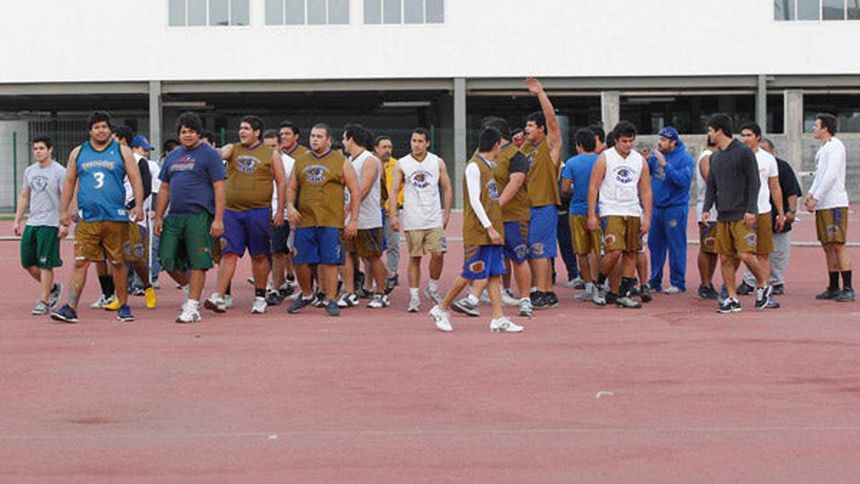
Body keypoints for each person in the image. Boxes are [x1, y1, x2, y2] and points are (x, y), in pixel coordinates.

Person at [51, 111, 144, 323]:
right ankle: (70, 308)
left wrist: (139, 206)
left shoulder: (122, 151)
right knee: (80, 262)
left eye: (104, 127)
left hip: (115, 217)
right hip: (88, 219)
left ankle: (123, 305)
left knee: (118, 263)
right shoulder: (78, 152)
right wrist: (63, 211)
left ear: (109, 129)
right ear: (90, 131)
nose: (101, 131)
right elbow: (69, 182)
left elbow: (135, 178)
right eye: (96, 127)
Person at [429, 128, 524, 333]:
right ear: (496, 145)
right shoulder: (474, 166)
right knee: (470, 272)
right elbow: (474, 200)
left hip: (491, 229)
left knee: (494, 274)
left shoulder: (489, 166)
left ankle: (498, 318)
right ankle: (441, 308)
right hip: (479, 231)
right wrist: (489, 227)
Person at [452, 117, 533, 318]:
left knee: (518, 257)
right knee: (488, 259)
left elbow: (515, 183)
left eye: (487, 131)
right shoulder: (480, 158)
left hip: (512, 216)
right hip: (488, 218)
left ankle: (525, 299)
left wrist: (496, 207)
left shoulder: (516, 156)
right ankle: (479, 298)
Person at [204, 115, 287, 314]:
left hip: (258, 212)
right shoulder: (233, 149)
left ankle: (260, 297)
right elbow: (219, 153)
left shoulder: (270, 154)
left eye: (247, 128)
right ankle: (219, 296)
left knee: (259, 255)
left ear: (257, 132)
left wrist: (280, 210)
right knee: (228, 253)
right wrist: (207, 149)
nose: (242, 131)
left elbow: (281, 182)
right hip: (232, 212)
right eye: (241, 128)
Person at [154, 112, 226, 323]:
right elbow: (164, 188)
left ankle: (193, 307)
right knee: (166, 258)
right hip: (174, 216)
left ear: (198, 133)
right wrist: (158, 217)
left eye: (191, 131)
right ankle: (188, 287)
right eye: (183, 132)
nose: (187, 135)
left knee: (198, 262)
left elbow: (219, 187)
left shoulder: (210, 155)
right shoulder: (172, 157)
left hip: (199, 216)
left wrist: (218, 219)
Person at [286, 124, 360, 317]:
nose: (314, 139)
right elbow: (292, 186)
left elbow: (355, 190)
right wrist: (290, 206)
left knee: (330, 261)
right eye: (312, 136)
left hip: (331, 220)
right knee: (300, 260)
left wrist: (354, 220)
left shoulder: (340, 161)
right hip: (305, 219)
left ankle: (331, 299)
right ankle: (307, 293)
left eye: (319, 136)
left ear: (328, 140)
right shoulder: (301, 161)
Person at [701, 113, 772, 313]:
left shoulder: (743, 152)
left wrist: (751, 209)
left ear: (719, 131)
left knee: (745, 254)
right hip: (723, 214)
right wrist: (707, 208)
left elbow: (754, 182)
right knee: (725, 258)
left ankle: (763, 285)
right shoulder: (715, 157)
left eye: (710, 130)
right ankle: (732, 298)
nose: (709, 134)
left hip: (742, 214)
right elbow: (712, 186)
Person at [587, 121, 652, 309]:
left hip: (633, 210)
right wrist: (592, 215)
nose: (628, 145)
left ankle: (624, 293)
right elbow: (593, 187)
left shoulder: (639, 160)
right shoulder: (605, 158)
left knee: (631, 251)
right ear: (616, 140)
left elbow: (646, 190)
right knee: (614, 251)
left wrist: (647, 217)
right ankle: (600, 283)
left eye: (631, 141)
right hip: (611, 209)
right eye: (624, 141)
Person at [389, 128, 453, 312]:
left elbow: (447, 188)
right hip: (413, 218)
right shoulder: (402, 164)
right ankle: (414, 296)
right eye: (414, 140)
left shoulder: (437, 162)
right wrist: (394, 215)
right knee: (415, 257)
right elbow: (394, 191)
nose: (416, 145)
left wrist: (446, 213)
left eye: (420, 141)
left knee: (439, 253)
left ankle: (432, 287)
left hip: (433, 217)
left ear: (427, 143)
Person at [521, 77, 563, 309]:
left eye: (531, 126)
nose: (527, 129)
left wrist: (540, 93)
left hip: (544, 205)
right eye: (526, 126)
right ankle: (540, 289)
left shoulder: (550, 146)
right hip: (526, 206)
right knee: (532, 250)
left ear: (541, 129)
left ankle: (543, 290)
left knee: (540, 250)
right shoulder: (526, 148)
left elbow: (552, 121)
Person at [739, 138, 800, 296]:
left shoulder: (782, 167)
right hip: (754, 212)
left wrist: (790, 211)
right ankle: (750, 281)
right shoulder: (748, 163)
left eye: (766, 149)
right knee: (750, 248)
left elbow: (792, 191)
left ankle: (776, 281)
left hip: (775, 214)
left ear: (773, 151)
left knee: (777, 251)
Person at [338, 124, 389, 309]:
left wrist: (351, 211)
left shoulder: (369, 160)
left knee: (371, 257)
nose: (343, 142)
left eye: (344, 138)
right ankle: (350, 292)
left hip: (367, 218)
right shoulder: (348, 160)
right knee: (345, 254)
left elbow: (364, 189)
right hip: (348, 216)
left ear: (351, 139)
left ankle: (381, 293)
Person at [13, 135, 66, 315]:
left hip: (50, 223)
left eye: (41, 148)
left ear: (50, 150)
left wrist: (64, 222)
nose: (38, 152)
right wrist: (17, 219)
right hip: (32, 221)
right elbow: (24, 195)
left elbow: (66, 197)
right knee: (27, 262)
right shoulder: (30, 171)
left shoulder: (59, 171)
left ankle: (44, 301)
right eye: (35, 148)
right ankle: (52, 288)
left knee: (45, 264)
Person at [805, 113, 853, 302]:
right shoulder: (823, 149)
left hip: (834, 203)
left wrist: (817, 197)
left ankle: (848, 287)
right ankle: (833, 286)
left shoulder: (835, 146)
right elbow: (820, 175)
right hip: (824, 204)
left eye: (816, 125)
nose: (813, 128)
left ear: (825, 128)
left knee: (838, 244)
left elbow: (831, 175)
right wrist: (811, 193)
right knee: (827, 245)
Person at [735, 122, 784, 309]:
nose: (745, 139)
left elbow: (775, 187)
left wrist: (780, 213)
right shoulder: (737, 157)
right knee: (741, 253)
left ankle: (764, 293)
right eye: (743, 135)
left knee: (763, 254)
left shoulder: (768, 159)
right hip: (742, 212)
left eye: (749, 135)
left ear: (758, 137)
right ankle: (731, 288)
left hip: (763, 211)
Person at [645, 127, 694, 294]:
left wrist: (665, 165)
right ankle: (654, 281)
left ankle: (678, 282)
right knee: (655, 245)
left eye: (664, 140)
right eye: (660, 139)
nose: (660, 143)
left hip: (674, 207)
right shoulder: (656, 156)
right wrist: (645, 161)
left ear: (673, 142)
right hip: (657, 207)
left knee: (676, 245)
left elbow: (683, 182)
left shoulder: (685, 159)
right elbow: (647, 173)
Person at [266, 121, 305, 305]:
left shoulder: (292, 164)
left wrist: (289, 210)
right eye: (266, 146)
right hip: (263, 211)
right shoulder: (261, 162)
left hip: (283, 213)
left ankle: (302, 287)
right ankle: (277, 286)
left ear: (279, 145)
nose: (270, 150)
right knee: (272, 251)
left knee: (287, 251)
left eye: (273, 146)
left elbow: (296, 189)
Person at [561, 128, 601, 301]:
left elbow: (564, 188)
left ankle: (589, 285)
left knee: (582, 251)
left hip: (577, 210)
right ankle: (600, 283)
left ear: (579, 145)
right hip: (599, 209)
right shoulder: (601, 160)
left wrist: (576, 190)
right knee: (599, 249)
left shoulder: (571, 163)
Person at [695, 136, 721, 300]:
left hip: (719, 210)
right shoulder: (706, 157)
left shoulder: (717, 156)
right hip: (708, 209)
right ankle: (704, 283)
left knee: (714, 250)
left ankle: (709, 282)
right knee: (707, 247)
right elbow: (712, 181)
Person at [376, 135, 402, 292]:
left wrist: (396, 206)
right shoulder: (372, 164)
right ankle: (377, 276)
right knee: (374, 248)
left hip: (392, 211)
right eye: (384, 147)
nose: (387, 150)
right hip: (375, 212)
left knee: (393, 244)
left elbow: (401, 188)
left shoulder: (397, 165)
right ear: (376, 149)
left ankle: (392, 274)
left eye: (389, 147)